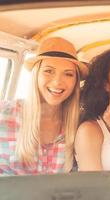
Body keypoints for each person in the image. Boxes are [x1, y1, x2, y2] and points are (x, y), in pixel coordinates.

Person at [0, 37, 88, 175]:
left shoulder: (81, 126)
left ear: (75, 82)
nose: (57, 82)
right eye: (49, 71)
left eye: (68, 74)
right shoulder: (4, 114)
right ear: (36, 74)